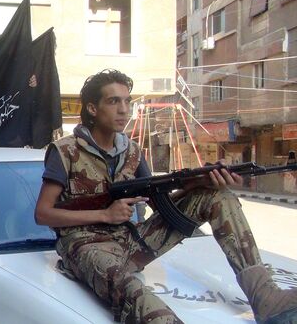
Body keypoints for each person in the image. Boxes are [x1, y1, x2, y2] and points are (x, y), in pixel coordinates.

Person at [34, 69, 297, 323]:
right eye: (113, 101)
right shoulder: (65, 151)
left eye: (127, 101)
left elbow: (160, 206)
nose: (124, 109)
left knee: (216, 195)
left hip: (130, 243)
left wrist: (198, 184)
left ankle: (266, 298)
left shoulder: (133, 151)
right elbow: (43, 214)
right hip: (85, 248)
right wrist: (105, 214)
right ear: (92, 108)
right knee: (140, 297)